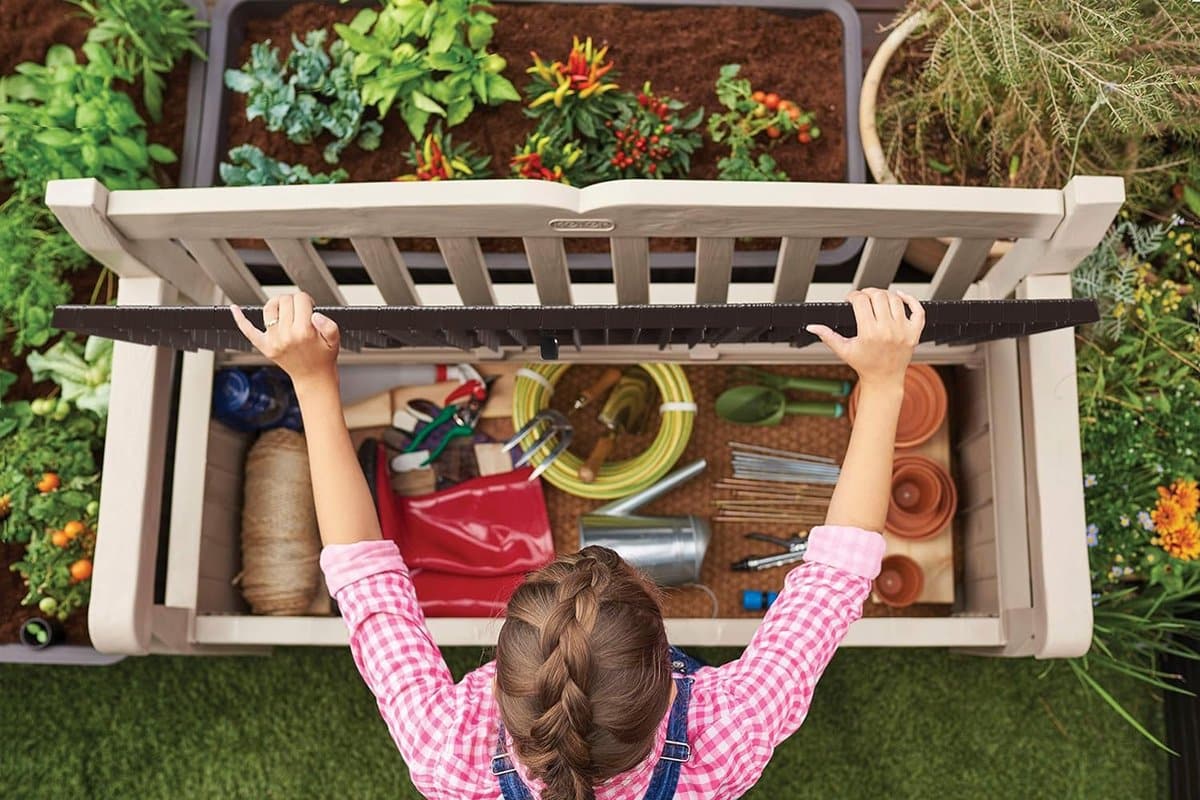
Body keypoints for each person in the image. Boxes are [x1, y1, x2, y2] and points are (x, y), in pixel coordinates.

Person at [231, 287, 925, 800]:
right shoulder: (724, 737)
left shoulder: (449, 751)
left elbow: (363, 578)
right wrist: (887, 378)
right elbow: (835, 577)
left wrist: (312, 380)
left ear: (496, 683)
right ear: (669, 673)